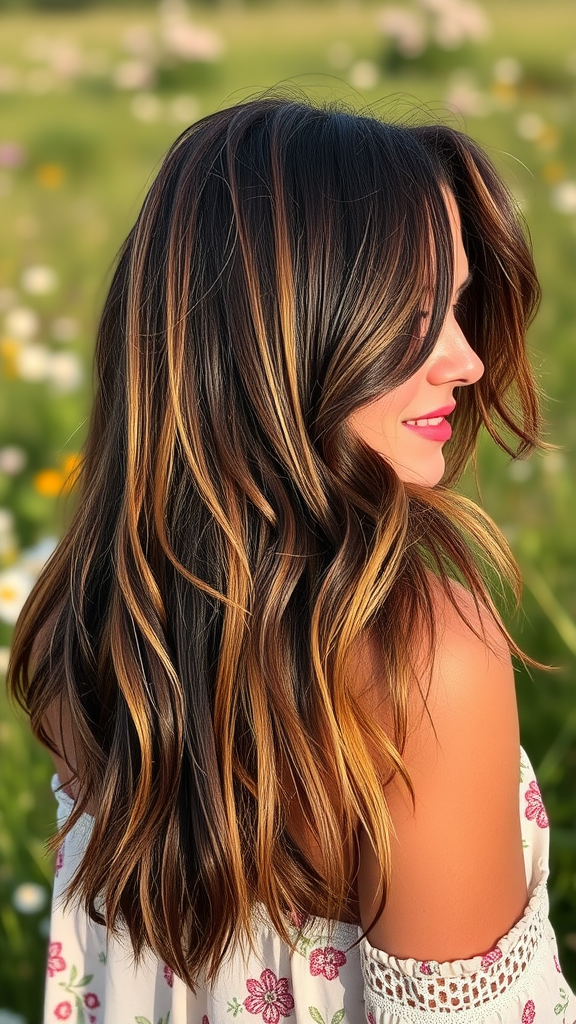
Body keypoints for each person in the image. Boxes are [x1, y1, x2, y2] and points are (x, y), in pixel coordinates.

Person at [7, 95, 576, 1024]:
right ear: (278, 336)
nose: (469, 360)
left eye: (460, 305)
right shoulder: (423, 658)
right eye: (413, 313)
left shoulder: (88, 619)